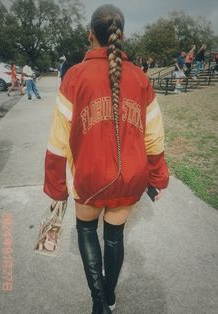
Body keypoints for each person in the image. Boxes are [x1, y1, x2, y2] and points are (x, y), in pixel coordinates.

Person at [44, 4, 169, 314]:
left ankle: (99, 303)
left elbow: (58, 139)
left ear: (91, 35)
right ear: (121, 36)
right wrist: (157, 178)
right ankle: (108, 299)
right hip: (131, 176)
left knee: (86, 231)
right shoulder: (140, 78)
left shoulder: (74, 76)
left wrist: (56, 186)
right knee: (114, 237)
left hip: (89, 177)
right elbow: (154, 136)